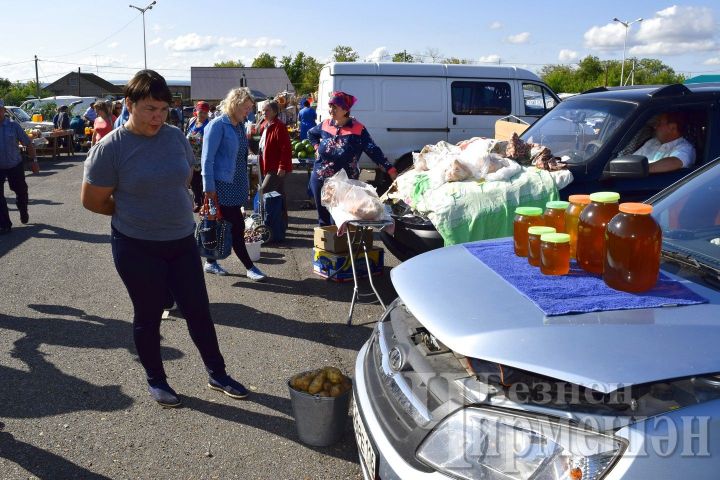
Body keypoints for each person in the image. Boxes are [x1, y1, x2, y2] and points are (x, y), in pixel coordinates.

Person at [81, 70, 250, 407]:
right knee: (148, 313)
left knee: (198, 311)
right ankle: (157, 379)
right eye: (149, 109)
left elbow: (185, 174)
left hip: (181, 241)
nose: (157, 117)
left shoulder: (174, 136)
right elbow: (92, 200)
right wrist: (137, 214)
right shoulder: (110, 148)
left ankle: (217, 373)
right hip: (136, 245)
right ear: (129, 104)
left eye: (163, 110)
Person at [201, 87, 268, 281]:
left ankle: (211, 262)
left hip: (237, 181)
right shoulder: (217, 125)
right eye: (245, 107)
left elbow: (239, 153)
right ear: (235, 104)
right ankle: (249, 266)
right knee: (236, 225)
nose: (248, 111)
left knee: (220, 224)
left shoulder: (239, 125)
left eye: (249, 108)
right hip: (221, 184)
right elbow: (207, 159)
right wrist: (209, 187)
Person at [307, 91, 397, 226]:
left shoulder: (358, 129)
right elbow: (311, 133)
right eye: (330, 106)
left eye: (335, 107)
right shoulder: (326, 124)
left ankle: (340, 246)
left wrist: (390, 170)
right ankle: (326, 245)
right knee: (323, 220)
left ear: (345, 110)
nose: (331, 109)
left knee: (340, 220)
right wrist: (316, 147)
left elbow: (373, 150)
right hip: (320, 178)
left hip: (345, 183)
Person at [0, 99, 37, 234]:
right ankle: (4, 224)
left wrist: (34, 161)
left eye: (0, 109)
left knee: (21, 191)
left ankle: (23, 209)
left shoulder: (13, 126)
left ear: (4, 111)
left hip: (14, 164)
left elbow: (28, 143)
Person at [258, 100, 293, 224]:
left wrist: (282, 166)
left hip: (275, 167)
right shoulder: (265, 125)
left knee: (264, 191)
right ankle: (281, 223)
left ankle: (268, 222)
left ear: (274, 111)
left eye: (266, 110)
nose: (264, 112)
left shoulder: (279, 126)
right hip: (267, 166)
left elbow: (286, 148)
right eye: (263, 110)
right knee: (279, 194)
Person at [186, 100, 211, 213]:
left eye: (205, 113)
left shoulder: (209, 125)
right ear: (196, 111)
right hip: (190, 156)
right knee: (193, 182)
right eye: (201, 112)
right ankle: (198, 201)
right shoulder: (192, 121)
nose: (202, 115)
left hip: (202, 157)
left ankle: (202, 203)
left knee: (201, 181)